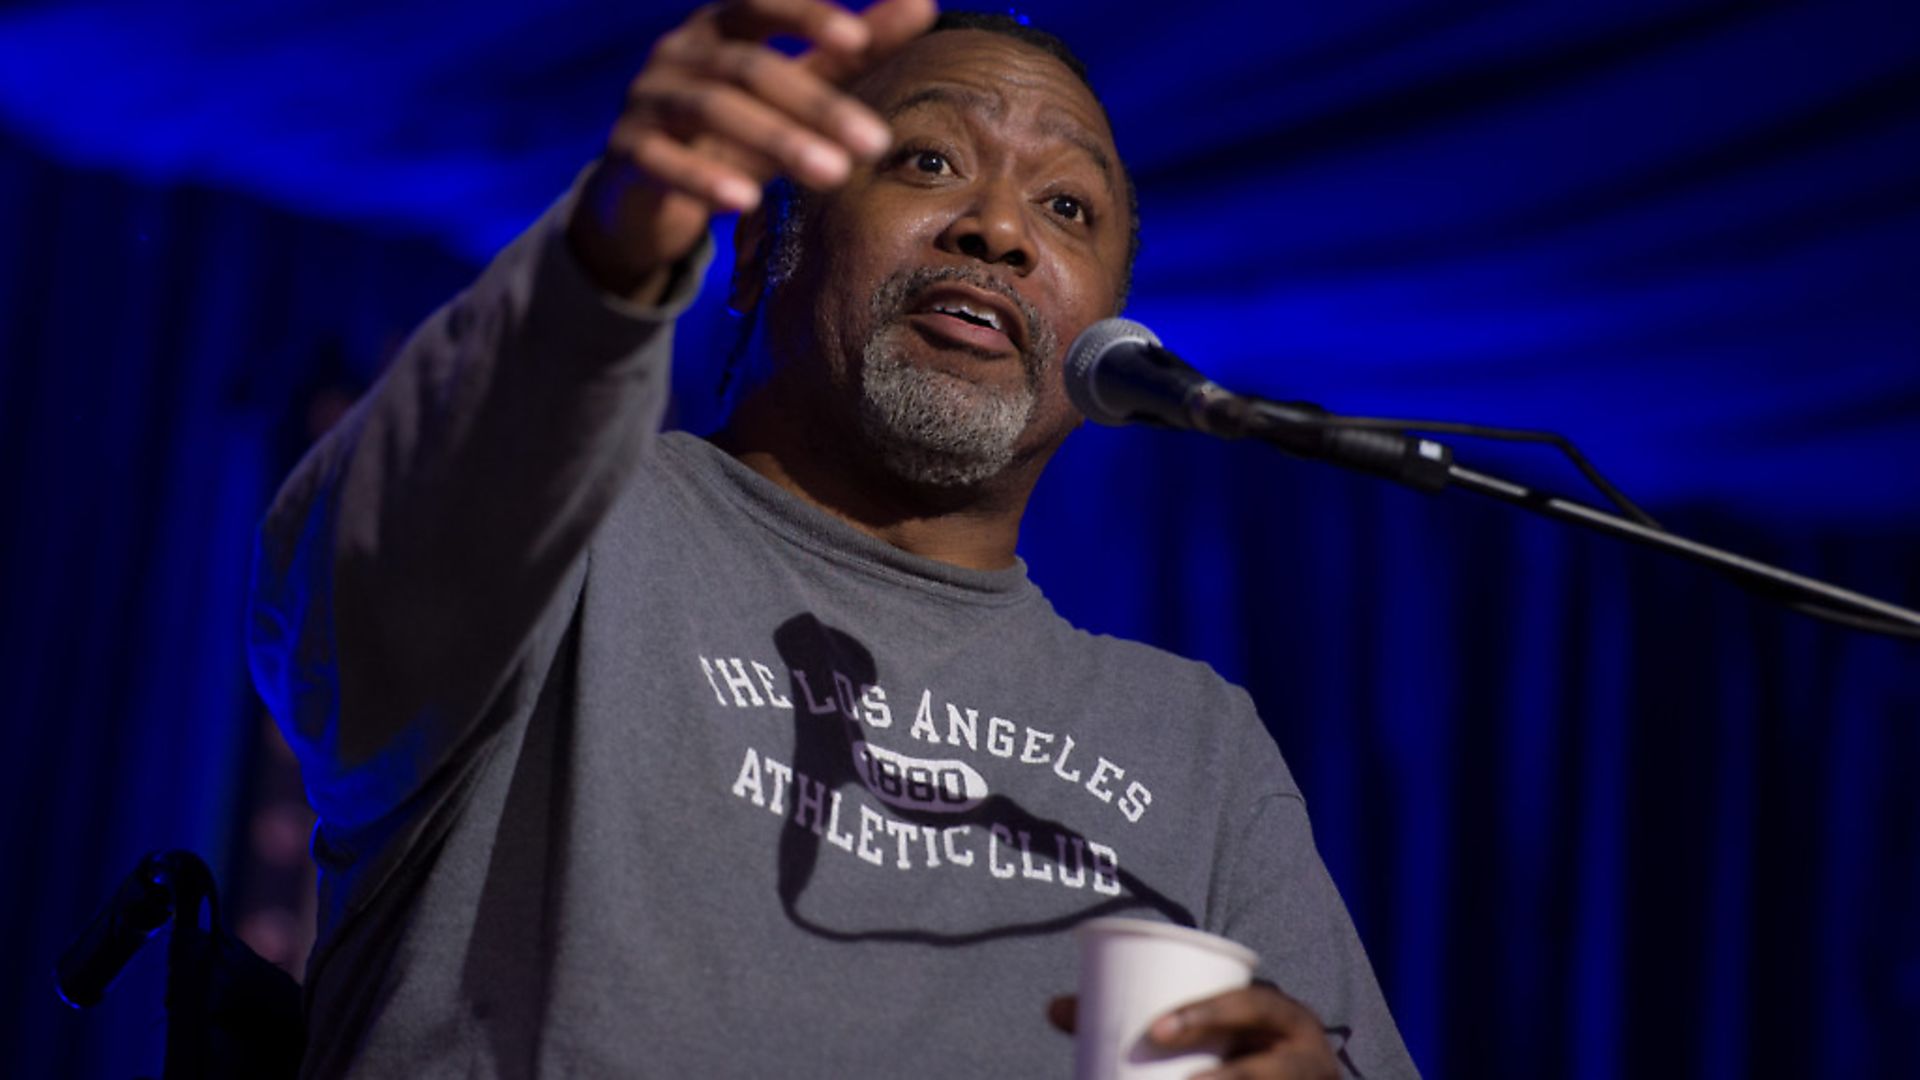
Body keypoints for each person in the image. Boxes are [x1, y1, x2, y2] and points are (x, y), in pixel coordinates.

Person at [247, 1, 1418, 1076]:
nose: (1001, 228)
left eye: (1069, 207)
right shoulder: (569, 532)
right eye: (928, 160)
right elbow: (340, 594)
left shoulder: (1198, 749)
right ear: (762, 245)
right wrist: (602, 258)